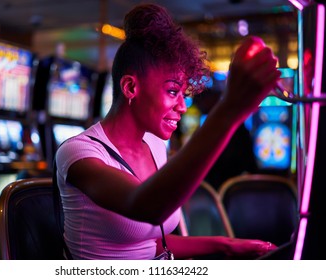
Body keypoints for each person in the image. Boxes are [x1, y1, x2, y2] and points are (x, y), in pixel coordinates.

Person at [55, 3, 280, 260]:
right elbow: (146, 206)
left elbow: (152, 244)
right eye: (173, 91)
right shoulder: (78, 152)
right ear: (130, 88)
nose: (183, 107)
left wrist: (227, 245)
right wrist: (229, 110)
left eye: (184, 95)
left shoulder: (154, 145)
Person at [194, 83, 259, 190]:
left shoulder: (224, 124)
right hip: (230, 184)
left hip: (230, 183)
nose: (200, 107)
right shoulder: (218, 123)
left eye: (201, 102)